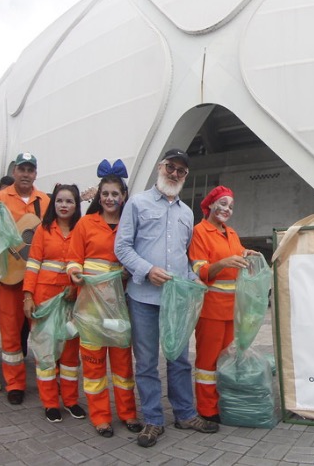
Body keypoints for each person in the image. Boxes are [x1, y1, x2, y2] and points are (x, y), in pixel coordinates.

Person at [115, 149, 217, 448]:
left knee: (180, 360)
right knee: (146, 362)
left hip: (176, 300)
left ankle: (185, 414)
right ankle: (153, 420)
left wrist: (191, 278)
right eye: (171, 167)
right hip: (144, 297)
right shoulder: (138, 203)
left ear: (185, 176)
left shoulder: (187, 213)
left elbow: (184, 257)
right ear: (161, 167)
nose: (174, 174)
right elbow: (122, 248)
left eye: (181, 171)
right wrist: (146, 270)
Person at [66, 161, 139, 437]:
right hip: (91, 305)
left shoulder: (130, 225)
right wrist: (74, 272)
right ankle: (100, 417)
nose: (110, 199)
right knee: (94, 364)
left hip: (119, 305)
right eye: (105, 194)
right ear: (99, 195)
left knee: (122, 365)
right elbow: (73, 257)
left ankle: (129, 414)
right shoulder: (86, 223)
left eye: (115, 194)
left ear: (123, 196)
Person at [0, 152, 49, 404]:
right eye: (22, 169)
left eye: (30, 170)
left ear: (35, 174)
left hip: (37, 276)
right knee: (9, 331)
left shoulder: (45, 200)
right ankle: (15, 384)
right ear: (15, 171)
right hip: (8, 275)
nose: (26, 174)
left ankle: (47, 384)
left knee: (41, 331)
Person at [189, 185, 261, 421]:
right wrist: (224, 262)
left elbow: (237, 255)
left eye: (230, 206)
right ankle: (207, 409)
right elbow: (200, 271)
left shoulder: (231, 233)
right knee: (207, 363)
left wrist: (247, 253)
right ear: (210, 204)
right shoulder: (200, 231)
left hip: (233, 309)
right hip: (210, 309)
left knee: (228, 361)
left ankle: (223, 402)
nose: (227, 209)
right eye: (222, 204)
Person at [24, 183, 86, 423]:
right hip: (44, 299)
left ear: (76, 205)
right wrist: (28, 296)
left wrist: (75, 288)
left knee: (70, 355)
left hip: (72, 300)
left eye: (69, 201)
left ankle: (70, 400)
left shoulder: (82, 229)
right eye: (60, 200)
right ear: (54, 203)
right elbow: (32, 264)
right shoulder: (43, 229)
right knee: (46, 353)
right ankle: (50, 402)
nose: (64, 205)